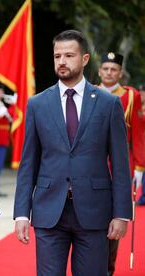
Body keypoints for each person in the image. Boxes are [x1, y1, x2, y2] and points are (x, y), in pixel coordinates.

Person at [14, 30, 132, 275]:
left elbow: (121, 164)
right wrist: (21, 213)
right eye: (57, 56)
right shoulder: (37, 104)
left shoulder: (109, 104)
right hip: (49, 212)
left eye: (69, 55)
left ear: (85, 59)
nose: (62, 61)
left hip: (94, 211)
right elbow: (29, 164)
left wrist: (122, 213)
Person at [97, 52, 145, 275]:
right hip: (93, 165)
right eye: (105, 69)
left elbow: (137, 132)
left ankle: (108, 268)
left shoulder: (131, 95)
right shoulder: (90, 92)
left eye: (113, 69)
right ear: (99, 71)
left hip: (119, 166)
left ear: (120, 73)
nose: (109, 73)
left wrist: (139, 166)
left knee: (114, 219)